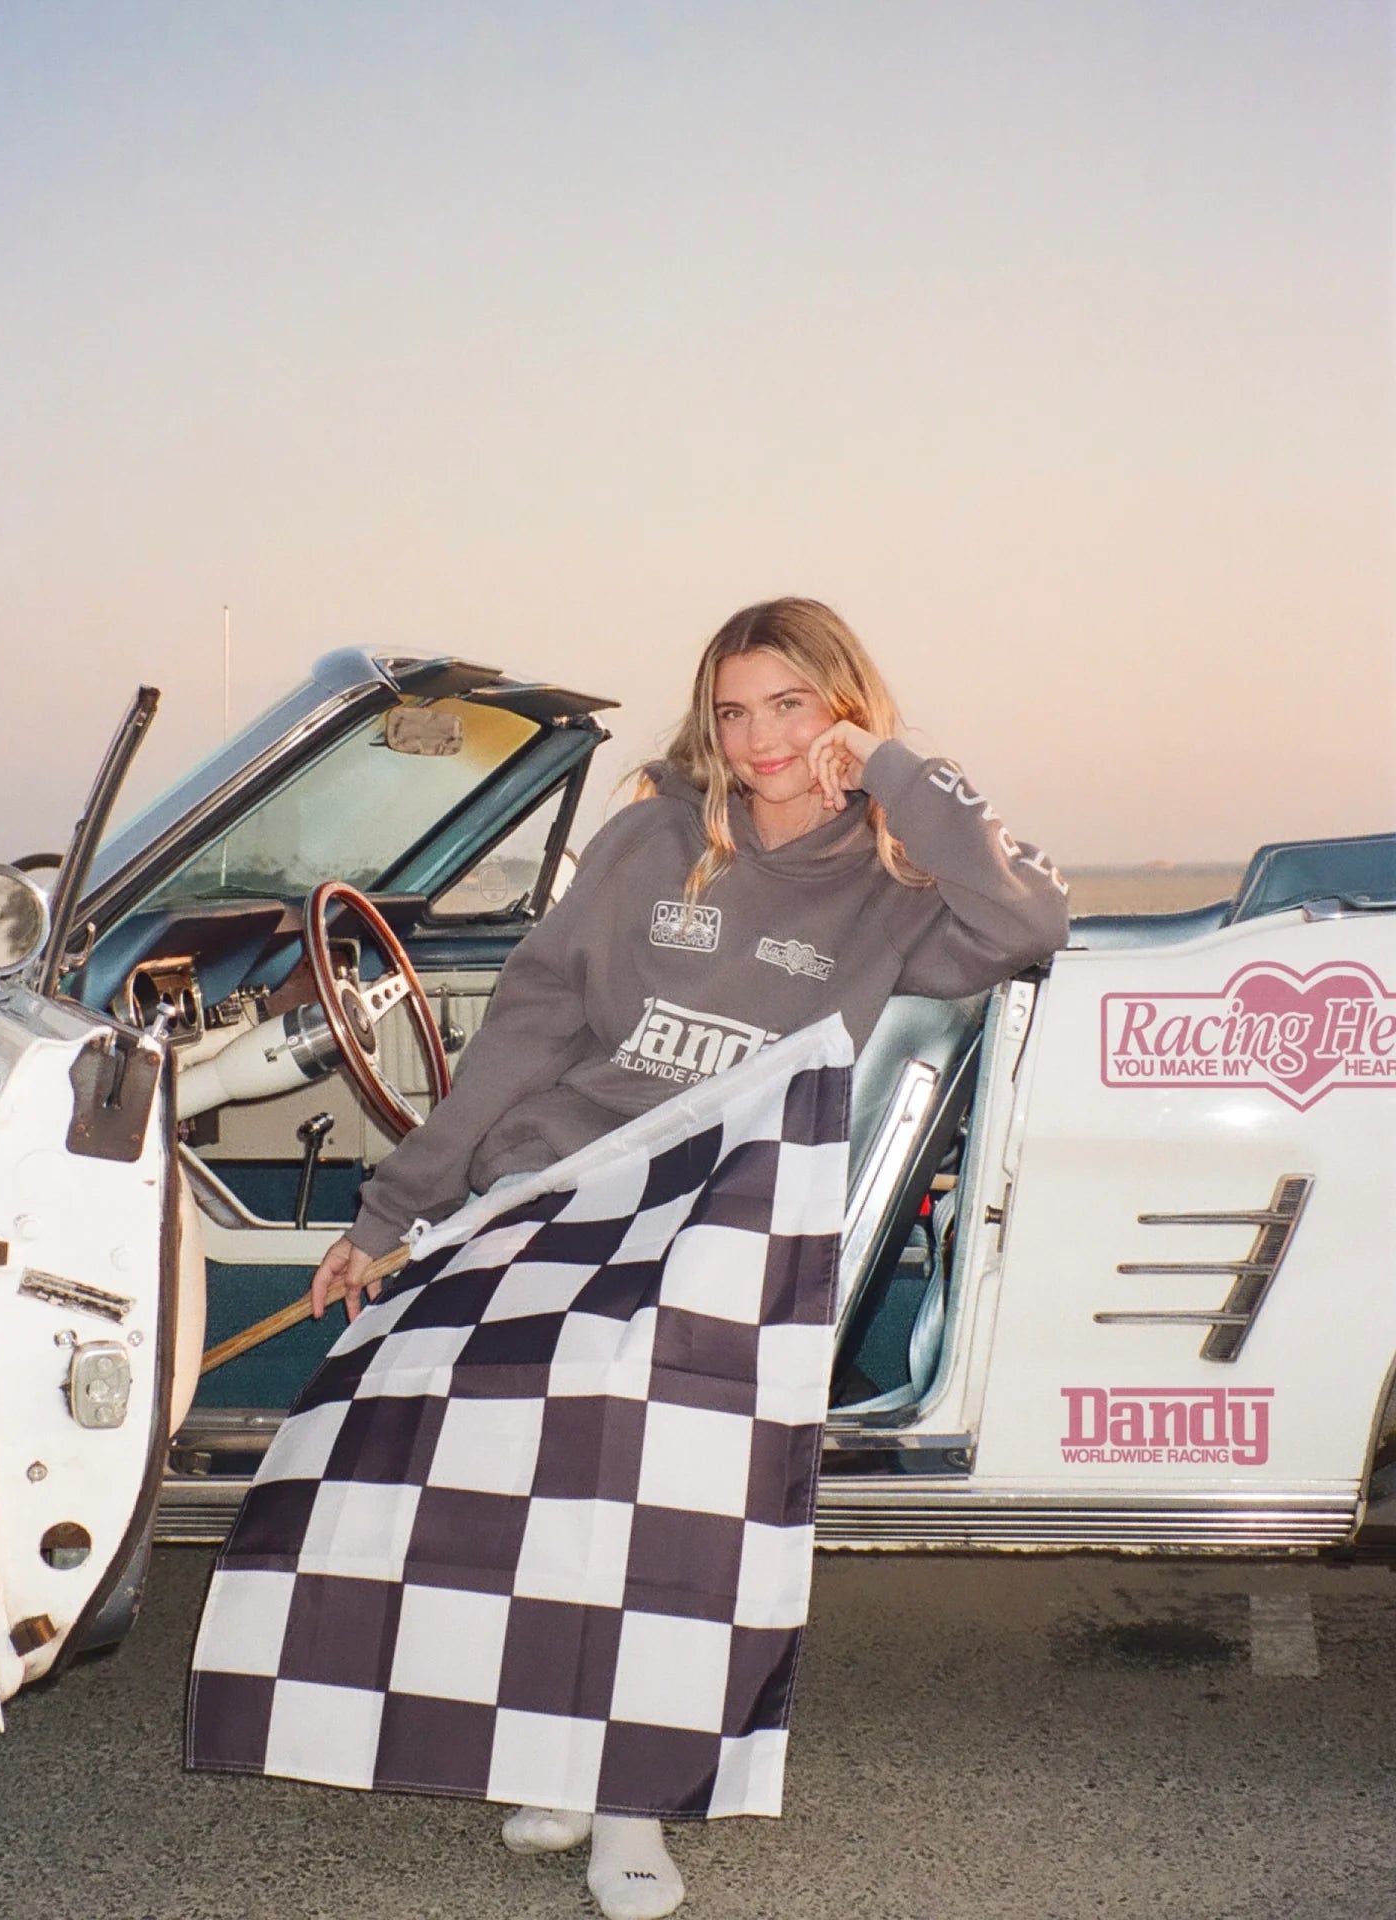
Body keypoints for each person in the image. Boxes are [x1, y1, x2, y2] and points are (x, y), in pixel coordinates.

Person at [309, 596, 1069, 1920]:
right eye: (734, 710)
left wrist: (891, 770)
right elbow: (531, 1023)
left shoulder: (895, 878)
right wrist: (396, 1211)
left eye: (792, 705)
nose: (760, 739)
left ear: (845, 707)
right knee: (538, 1482)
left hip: (725, 1217)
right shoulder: (655, 833)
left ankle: (631, 1795)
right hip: (570, 1183)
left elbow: (1026, 924)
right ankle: (562, 1749)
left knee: (658, 1494)